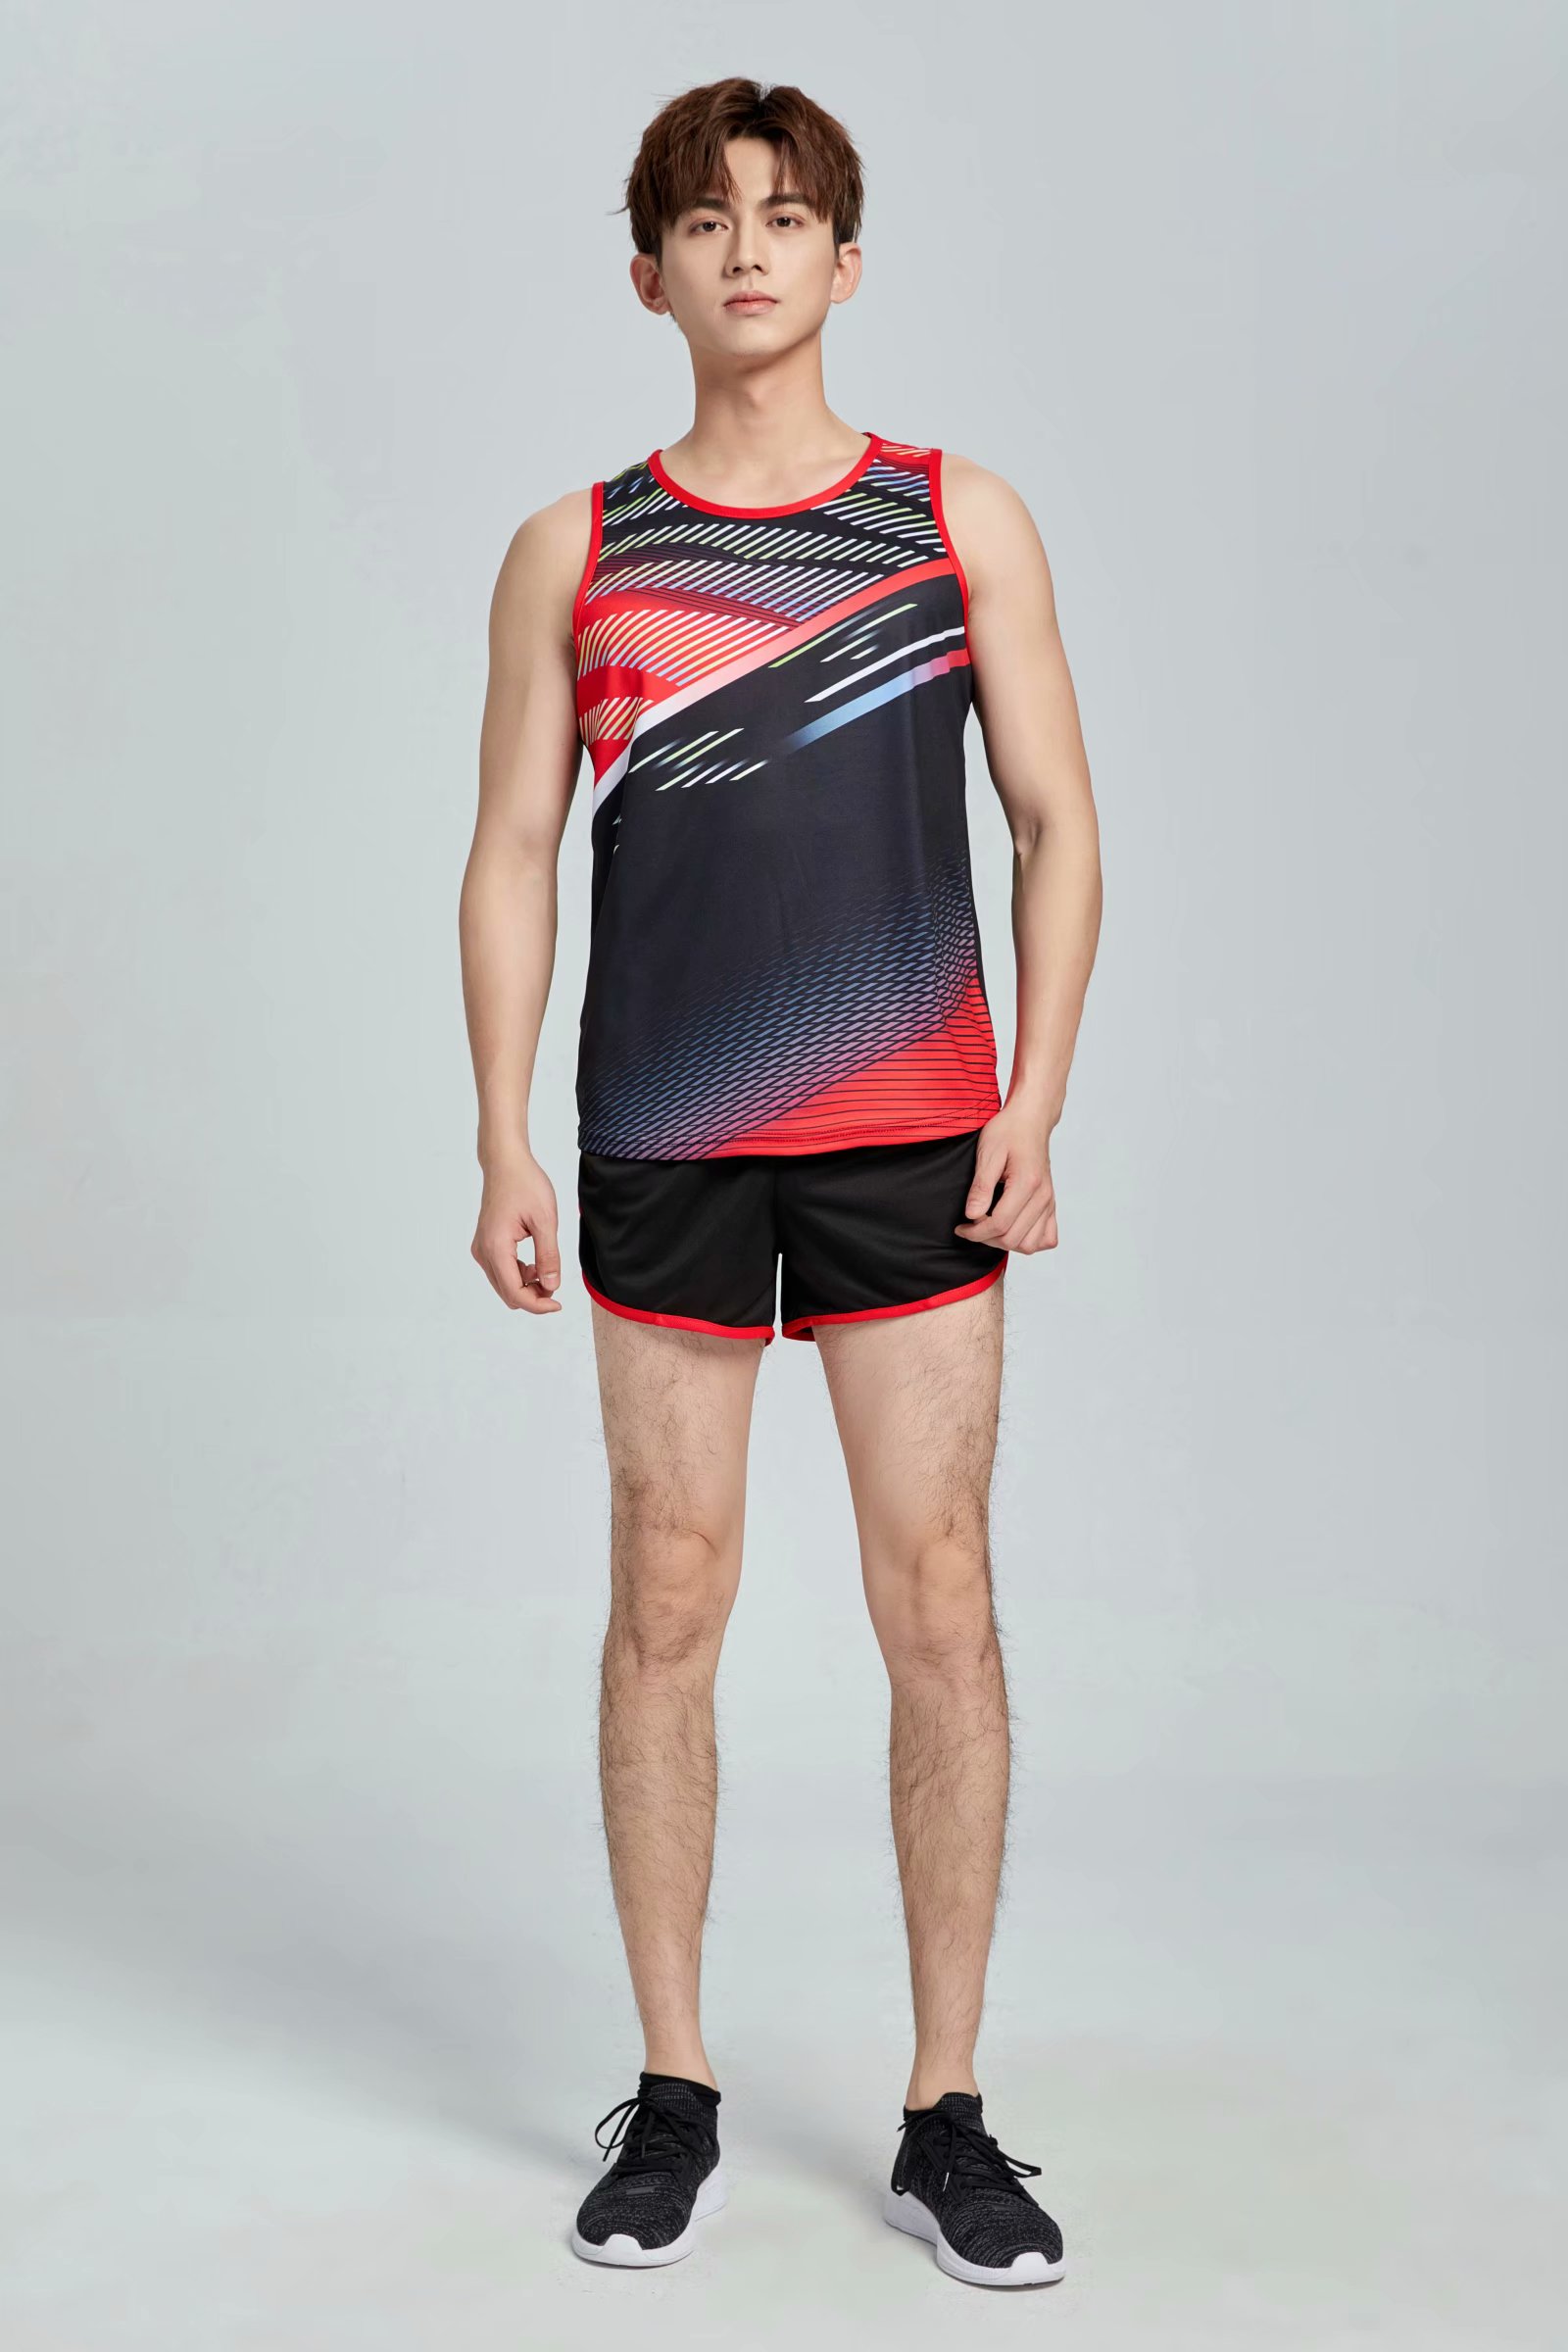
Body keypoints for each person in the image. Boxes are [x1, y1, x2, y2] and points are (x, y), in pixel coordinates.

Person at [459, 75, 1102, 2291]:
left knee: (941, 1602)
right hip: (663, 1136)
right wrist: (498, 1128)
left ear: (844, 257)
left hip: (916, 1130)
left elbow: (1056, 819)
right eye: (707, 219)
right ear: (646, 273)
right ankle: (675, 2091)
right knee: (667, 1599)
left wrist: (1038, 1098)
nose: (748, 248)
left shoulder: (947, 517)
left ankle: (947, 2114)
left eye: (787, 213)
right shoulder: (578, 550)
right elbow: (513, 852)